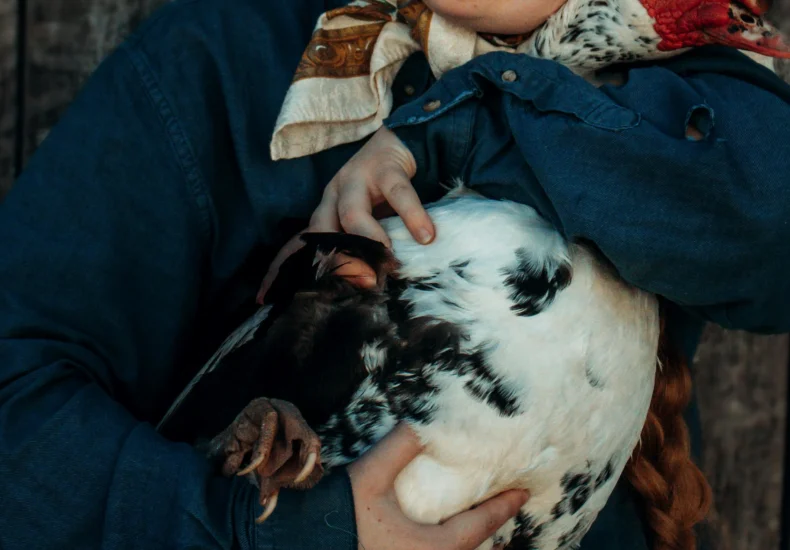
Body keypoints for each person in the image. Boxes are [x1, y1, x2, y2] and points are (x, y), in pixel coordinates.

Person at [0, 0, 788, 549]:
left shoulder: (681, 88)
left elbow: (774, 229)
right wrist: (278, 536)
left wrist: (465, 126)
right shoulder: (222, 62)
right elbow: (16, 420)